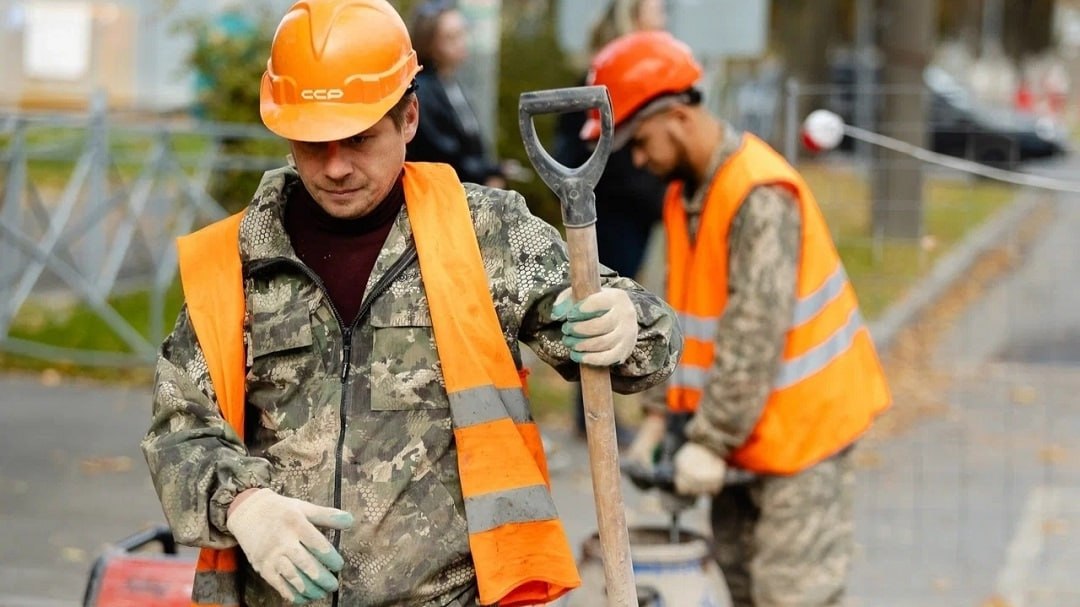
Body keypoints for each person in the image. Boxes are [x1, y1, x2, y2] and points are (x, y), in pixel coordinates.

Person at [140, 2, 682, 606]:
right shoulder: (237, 260)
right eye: (314, 143)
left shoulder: (484, 234)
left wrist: (629, 324)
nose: (337, 166)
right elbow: (179, 427)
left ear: (409, 118)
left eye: (360, 138)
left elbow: (641, 352)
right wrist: (242, 504)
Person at [585, 31, 892, 606]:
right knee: (745, 591)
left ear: (676, 116)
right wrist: (660, 418)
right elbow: (686, 318)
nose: (637, 159)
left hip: (804, 432)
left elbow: (754, 333)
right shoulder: (685, 197)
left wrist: (710, 440)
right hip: (742, 435)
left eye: (639, 140)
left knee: (791, 596)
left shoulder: (758, 194)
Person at [552, 0, 669, 440]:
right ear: (633, 18)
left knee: (616, 308)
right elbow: (592, 149)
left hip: (633, 211)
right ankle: (594, 414)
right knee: (597, 307)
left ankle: (602, 414)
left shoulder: (638, 70)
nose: (663, 20)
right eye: (656, 12)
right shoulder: (606, 74)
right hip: (607, 212)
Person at [405, 0, 506, 187]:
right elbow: (441, 152)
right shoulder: (423, 90)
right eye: (451, 37)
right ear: (430, 44)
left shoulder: (451, 83)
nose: (462, 42)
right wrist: (486, 173)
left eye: (462, 33)